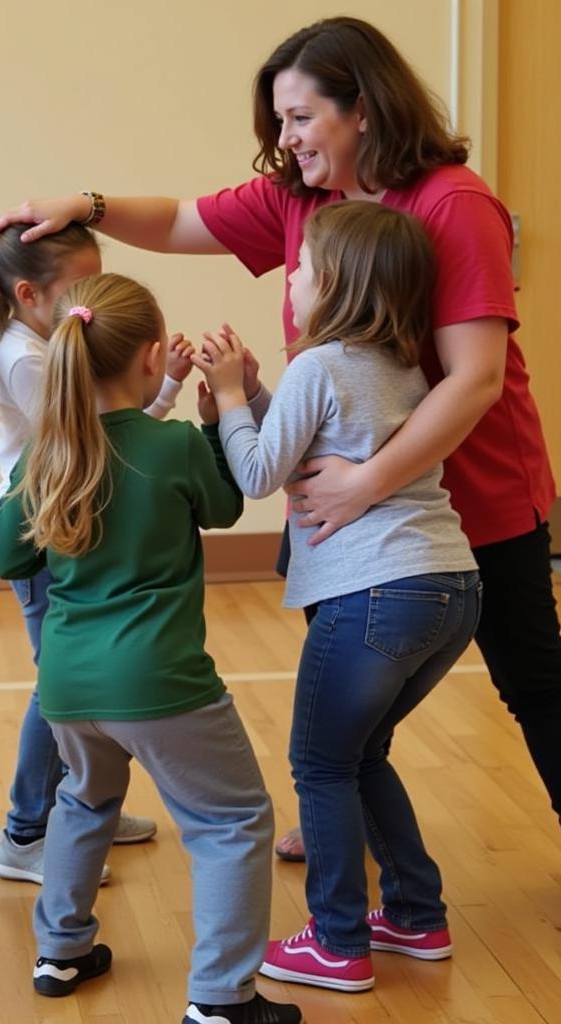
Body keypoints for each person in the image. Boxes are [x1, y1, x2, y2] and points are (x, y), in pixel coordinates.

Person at [0, 16, 560, 850]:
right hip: (342, 501)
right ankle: (343, 810)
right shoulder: (304, 195)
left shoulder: (451, 203)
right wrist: (92, 207)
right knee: (353, 681)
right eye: (280, 121)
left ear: (362, 109)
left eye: (300, 117)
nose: (285, 139)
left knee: (533, 679)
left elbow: (473, 379)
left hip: (469, 492)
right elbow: (187, 221)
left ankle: (341, 798)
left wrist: (369, 482)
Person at [0, 272, 300, 1024]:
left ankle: (60, 951)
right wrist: (223, 411)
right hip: (159, 682)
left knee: (84, 800)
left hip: (67, 686)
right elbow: (225, 506)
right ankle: (222, 998)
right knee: (233, 822)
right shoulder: (173, 445)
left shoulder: (47, 457)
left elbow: (5, 556)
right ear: (154, 357)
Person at [196, 200, 480, 992]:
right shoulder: (401, 370)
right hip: (451, 587)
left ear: (339, 287)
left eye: (305, 267)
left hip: (376, 595)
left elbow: (256, 475)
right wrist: (252, 396)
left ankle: (338, 942)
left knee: (319, 763)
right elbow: (295, 454)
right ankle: (417, 917)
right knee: (363, 753)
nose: (293, 276)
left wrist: (223, 398)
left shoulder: (319, 366)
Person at [0, 218, 199, 884]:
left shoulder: (43, 345)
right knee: (61, 691)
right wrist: (169, 393)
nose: (89, 300)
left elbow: (109, 436)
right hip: (44, 542)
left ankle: (84, 805)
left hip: (63, 528)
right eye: (79, 287)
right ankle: (27, 830)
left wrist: (164, 385)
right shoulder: (28, 358)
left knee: (78, 685)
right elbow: (108, 446)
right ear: (29, 293)